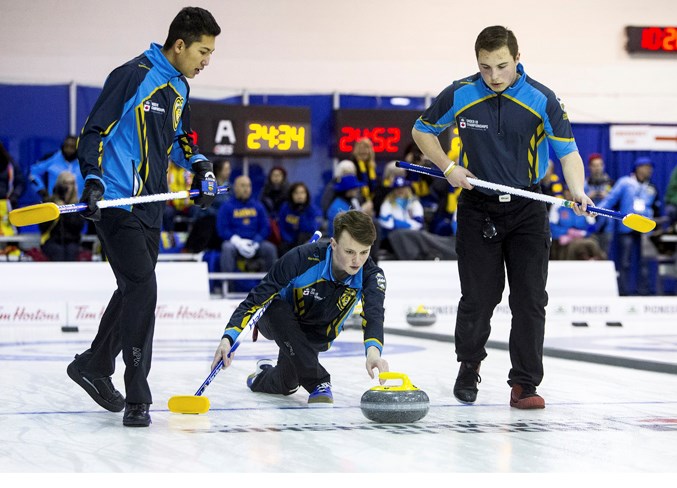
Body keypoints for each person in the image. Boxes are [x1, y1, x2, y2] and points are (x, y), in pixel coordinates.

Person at [412, 25, 593, 409]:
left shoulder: (543, 99)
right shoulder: (460, 92)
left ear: (517, 58)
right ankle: (468, 366)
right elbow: (422, 130)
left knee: (530, 300)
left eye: (501, 66)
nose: (493, 76)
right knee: (478, 298)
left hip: (528, 210)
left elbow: (569, 153)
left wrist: (577, 190)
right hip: (478, 207)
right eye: (485, 67)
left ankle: (525, 383)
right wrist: (447, 167)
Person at [66, 7, 221, 428]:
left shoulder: (180, 88)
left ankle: (94, 365)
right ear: (179, 44)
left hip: (153, 208)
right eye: (203, 52)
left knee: (133, 290)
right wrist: (93, 180)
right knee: (144, 290)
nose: (206, 61)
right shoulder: (133, 75)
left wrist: (201, 168)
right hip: (118, 204)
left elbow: (181, 140)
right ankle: (138, 396)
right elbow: (95, 131)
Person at [210, 210, 389, 406]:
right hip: (278, 319)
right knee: (276, 308)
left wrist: (373, 353)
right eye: (349, 252)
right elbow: (255, 299)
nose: (357, 261)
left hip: (317, 334)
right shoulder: (302, 258)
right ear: (334, 244)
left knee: (287, 384)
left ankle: (263, 375)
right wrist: (227, 339)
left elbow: (374, 314)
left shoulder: (372, 275)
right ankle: (319, 382)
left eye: (364, 252)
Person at [598, 157, 660, 296]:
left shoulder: (651, 187)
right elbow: (611, 199)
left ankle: (644, 292)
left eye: (650, 168)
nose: (649, 170)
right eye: (646, 167)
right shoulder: (625, 183)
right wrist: (595, 211)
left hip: (644, 229)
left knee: (644, 262)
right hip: (626, 228)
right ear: (638, 168)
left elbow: (656, 207)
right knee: (625, 261)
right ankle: (624, 292)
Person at [216, 175, 278, 281]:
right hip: (235, 243)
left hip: (254, 243)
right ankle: (227, 287)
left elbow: (265, 228)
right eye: (243, 186)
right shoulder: (226, 206)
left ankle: (270, 285)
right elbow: (222, 229)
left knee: (270, 249)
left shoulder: (258, 206)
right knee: (227, 248)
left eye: (249, 186)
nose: (246, 189)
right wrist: (237, 241)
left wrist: (256, 242)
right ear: (235, 187)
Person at [39, 171, 85, 261]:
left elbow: (78, 226)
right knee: (57, 251)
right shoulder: (49, 203)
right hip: (52, 240)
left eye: (71, 183)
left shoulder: (78, 205)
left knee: (71, 251)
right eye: (65, 183)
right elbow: (42, 227)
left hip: (72, 241)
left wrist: (65, 210)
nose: (68, 187)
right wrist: (55, 210)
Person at [29, 135, 85, 200]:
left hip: (79, 204)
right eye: (66, 146)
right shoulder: (52, 158)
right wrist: (41, 190)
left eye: (72, 147)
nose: (69, 150)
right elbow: (33, 173)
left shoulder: (84, 162)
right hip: (55, 203)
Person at [277, 181, 323, 256]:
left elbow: (312, 228)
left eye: (302, 193)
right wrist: (288, 239)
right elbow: (281, 227)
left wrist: (301, 214)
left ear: (306, 195)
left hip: (305, 241)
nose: (299, 196)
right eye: (296, 193)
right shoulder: (285, 208)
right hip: (288, 241)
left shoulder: (312, 209)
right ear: (291, 195)